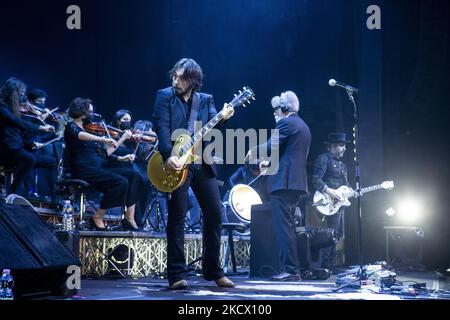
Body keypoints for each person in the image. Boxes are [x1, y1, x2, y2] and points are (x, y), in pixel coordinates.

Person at [152, 58, 235, 289]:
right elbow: (162, 127)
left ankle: (214, 271)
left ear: (193, 80)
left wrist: (224, 118)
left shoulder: (206, 99)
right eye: (174, 76)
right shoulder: (164, 96)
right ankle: (177, 274)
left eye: (180, 77)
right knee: (178, 216)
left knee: (215, 215)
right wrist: (169, 155)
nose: (175, 80)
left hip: (201, 163)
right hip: (176, 163)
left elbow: (211, 130)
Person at [64, 98, 141, 231]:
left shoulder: (90, 130)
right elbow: (79, 135)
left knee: (132, 174)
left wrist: (121, 145)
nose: (93, 115)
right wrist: (102, 138)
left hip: (98, 167)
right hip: (83, 169)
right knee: (121, 182)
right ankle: (98, 216)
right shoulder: (71, 127)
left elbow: (105, 154)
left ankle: (130, 217)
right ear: (81, 112)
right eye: (90, 112)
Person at [259, 91, 311, 281]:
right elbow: (288, 154)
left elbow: (269, 147)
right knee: (289, 227)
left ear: (284, 108)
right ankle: (293, 268)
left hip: (284, 183)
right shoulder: (303, 125)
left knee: (284, 228)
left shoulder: (286, 123)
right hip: (295, 183)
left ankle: (290, 270)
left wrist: (251, 154)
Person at [0, 78, 56, 197]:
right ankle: (12, 192)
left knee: (46, 161)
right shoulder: (2, 106)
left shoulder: (12, 107)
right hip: (6, 148)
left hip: (17, 146)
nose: (22, 96)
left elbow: (20, 129)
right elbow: (16, 122)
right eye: (20, 93)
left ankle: (53, 198)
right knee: (29, 159)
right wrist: (40, 127)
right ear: (12, 92)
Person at [312, 132, 350, 271]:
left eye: (344, 145)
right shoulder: (323, 159)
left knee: (337, 233)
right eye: (341, 145)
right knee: (330, 232)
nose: (344, 148)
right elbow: (316, 180)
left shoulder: (343, 165)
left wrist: (353, 192)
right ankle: (326, 264)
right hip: (327, 201)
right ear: (332, 146)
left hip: (339, 204)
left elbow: (346, 186)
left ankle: (331, 263)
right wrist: (331, 192)